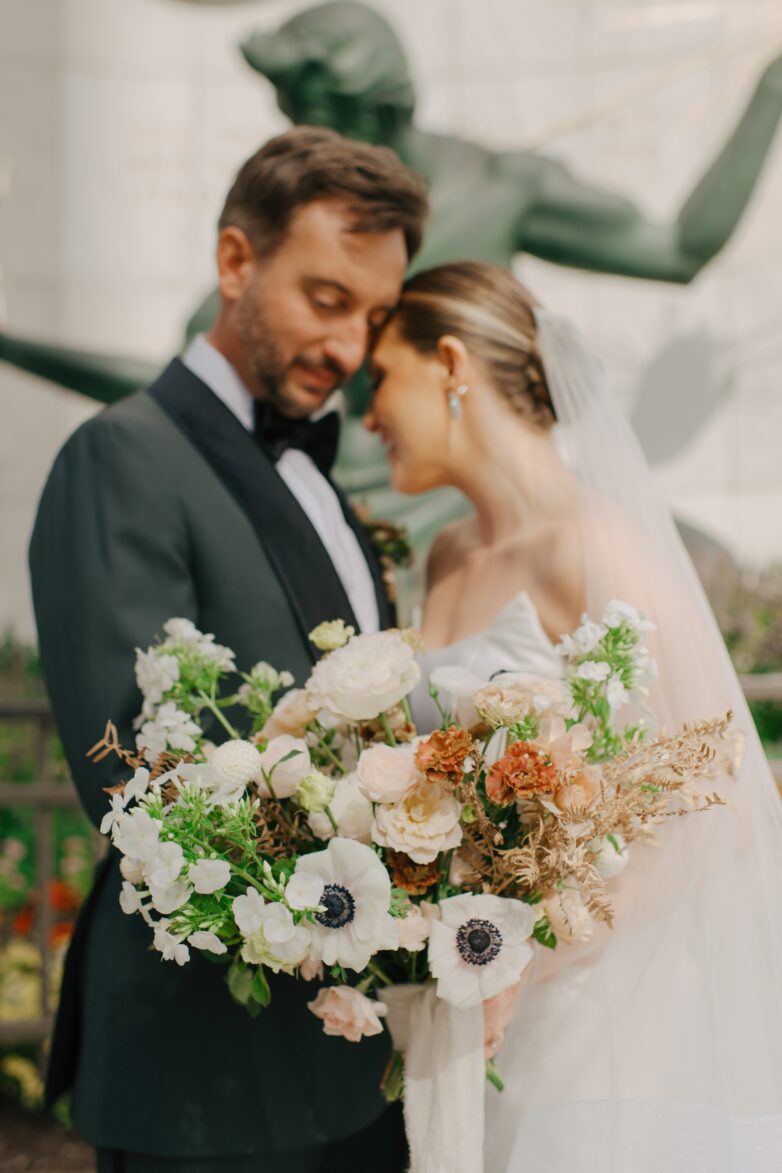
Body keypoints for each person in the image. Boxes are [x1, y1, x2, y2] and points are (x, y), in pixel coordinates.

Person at [29, 126, 427, 1173]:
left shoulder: (323, 483)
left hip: (354, 1057)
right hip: (204, 1072)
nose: (349, 348)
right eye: (327, 299)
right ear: (235, 261)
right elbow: (133, 771)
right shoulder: (119, 456)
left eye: (374, 319)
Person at [365, 260, 782, 1171]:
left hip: (585, 1011)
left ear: (447, 363)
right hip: (459, 1001)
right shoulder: (444, 554)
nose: (368, 415)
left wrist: (539, 949)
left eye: (380, 379)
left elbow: (727, 792)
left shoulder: (592, 545)